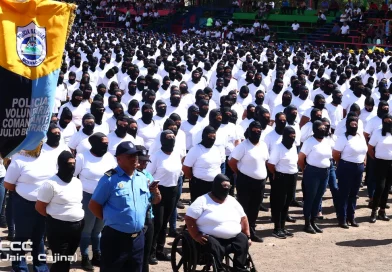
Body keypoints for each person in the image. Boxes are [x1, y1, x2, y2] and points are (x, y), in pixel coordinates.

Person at [89, 141, 161, 271]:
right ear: (119, 159)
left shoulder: (142, 178)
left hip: (138, 239)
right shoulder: (109, 179)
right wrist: (111, 220)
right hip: (115, 239)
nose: (134, 159)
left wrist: (156, 193)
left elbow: (154, 201)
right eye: (130, 156)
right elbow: (94, 205)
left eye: (136, 156)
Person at [4, 142, 55, 271]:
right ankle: (19, 267)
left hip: (43, 204)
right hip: (23, 204)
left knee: (39, 236)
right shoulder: (19, 159)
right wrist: (25, 190)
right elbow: (8, 184)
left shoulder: (48, 157)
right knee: (21, 236)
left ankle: (40, 266)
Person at [185, 174, 251, 272]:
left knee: (243, 239)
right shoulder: (202, 200)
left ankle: (239, 267)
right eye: (224, 186)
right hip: (211, 237)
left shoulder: (232, 200)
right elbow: (189, 218)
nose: (226, 189)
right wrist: (196, 235)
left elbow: (244, 218)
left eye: (228, 187)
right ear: (217, 186)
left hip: (233, 237)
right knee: (214, 245)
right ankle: (219, 269)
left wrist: (248, 236)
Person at [36, 151, 85, 272]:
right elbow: (39, 207)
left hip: (77, 226)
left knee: (66, 259)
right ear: (62, 164)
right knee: (61, 261)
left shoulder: (77, 182)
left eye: (74, 163)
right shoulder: (50, 184)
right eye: (69, 164)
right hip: (58, 227)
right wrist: (54, 217)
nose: (72, 167)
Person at [74, 132, 116, 270]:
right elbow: (73, 175)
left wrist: (105, 178)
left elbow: (113, 171)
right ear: (94, 144)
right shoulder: (82, 157)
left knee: (99, 228)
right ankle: (85, 256)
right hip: (87, 196)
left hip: (105, 197)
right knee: (87, 229)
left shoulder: (109, 157)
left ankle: (97, 255)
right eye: (103, 143)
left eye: (107, 143)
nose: (106, 146)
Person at [228, 121, 269, 243]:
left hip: (260, 182)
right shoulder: (243, 146)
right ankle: (242, 233)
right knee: (244, 207)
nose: (256, 132)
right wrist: (240, 173)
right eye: (254, 130)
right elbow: (231, 162)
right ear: (249, 131)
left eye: (259, 130)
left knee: (255, 208)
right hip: (245, 181)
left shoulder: (263, 145)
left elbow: (265, 161)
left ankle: (252, 230)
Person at [146, 130, 183, 263]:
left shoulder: (176, 153)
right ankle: (150, 252)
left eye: (173, 137)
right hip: (158, 191)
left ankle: (160, 250)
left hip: (172, 190)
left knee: (165, 222)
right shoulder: (156, 156)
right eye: (168, 137)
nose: (171, 139)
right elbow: (148, 175)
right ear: (162, 140)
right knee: (158, 223)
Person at [298, 120, 332, 234]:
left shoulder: (327, 141)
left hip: (324, 172)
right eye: (320, 128)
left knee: (318, 197)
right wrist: (305, 170)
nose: (323, 130)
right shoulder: (309, 142)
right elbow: (301, 159)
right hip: (312, 172)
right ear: (314, 130)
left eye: (324, 128)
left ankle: (313, 221)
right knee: (310, 198)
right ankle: (307, 223)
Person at [333, 117, 367, 228]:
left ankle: (351, 217)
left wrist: (363, 161)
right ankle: (342, 218)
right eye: (352, 125)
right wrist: (341, 164)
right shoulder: (343, 138)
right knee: (344, 193)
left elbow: (364, 150)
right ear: (347, 125)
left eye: (355, 124)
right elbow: (336, 153)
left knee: (354, 194)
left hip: (359, 167)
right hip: (346, 166)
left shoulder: (360, 136)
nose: (354, 126)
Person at [267, 126, 298, 239]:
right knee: (279, 203)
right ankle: (277, 228)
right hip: (281, 177)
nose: (292, 138)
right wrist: (276, 174)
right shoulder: (278, 148)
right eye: (290, 136)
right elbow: (270, 164)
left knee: (287, 202)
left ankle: (283, 227)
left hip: (292, 176)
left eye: (294, 136)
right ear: (284, 136)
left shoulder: (293, 146)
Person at [135, 145, 162, 271]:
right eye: (141, 161)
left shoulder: (148, 175)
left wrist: (155, 191)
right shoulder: (127, 176)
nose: (144, 164)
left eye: (146, 161)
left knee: (145, 257)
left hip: (148, 218)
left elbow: (156, 201)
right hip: (134, 221)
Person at [183, 126, 222, 202]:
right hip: (199, 185)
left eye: (214, 136)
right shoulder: (195, 150)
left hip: (214, 185)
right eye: (210, 136)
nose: (212, 138)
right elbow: (185, 168)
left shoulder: (216, 149)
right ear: (204, 136)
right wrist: (193, 178)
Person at [368, 114, 392, 223]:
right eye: (386, 121)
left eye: (390, 121)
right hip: (380, 163)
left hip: (390, 164)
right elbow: (370, 148)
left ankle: (382, 211)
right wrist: (376, 158)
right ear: (383, 122)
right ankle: (374, 211)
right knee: (380, 187)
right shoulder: (377, 133)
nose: (388, 123)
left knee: (387, 187)